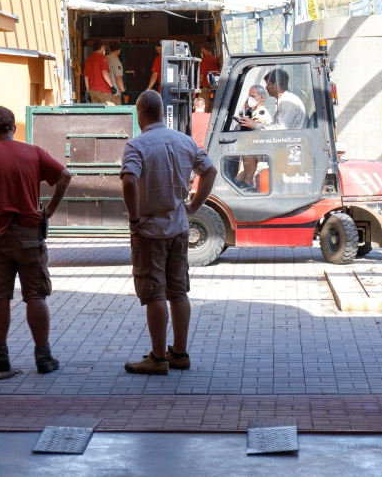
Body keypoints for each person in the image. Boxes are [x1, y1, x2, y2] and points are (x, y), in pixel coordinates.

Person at [0, 105, 73, 375]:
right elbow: (64, 176)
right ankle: (43, 356)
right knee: (35, 294)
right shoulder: (33, 152)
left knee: (0, 295)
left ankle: (0, 355)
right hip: (30, 234)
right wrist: (50, 210)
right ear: (14, 128)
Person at [120, 91, 217, 374]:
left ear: (140, 115)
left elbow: (128, 182)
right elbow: (208, 172)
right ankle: (180, 353)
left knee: (154, 294)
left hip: (149, 232)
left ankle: (158, 358)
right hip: (179, 228)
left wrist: (135, 218)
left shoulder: (136, 146)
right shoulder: (184, 141)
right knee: (178, 291)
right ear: (162, 112)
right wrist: (194, 205)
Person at [238, 68, 307, 131]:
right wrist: (265, 123)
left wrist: (255, 125)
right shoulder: (285, 100)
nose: (266, 88)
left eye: (268, 84)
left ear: (276, 85)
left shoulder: (287, 102)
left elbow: (280, 130)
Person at [233, 85, 272, 191]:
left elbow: (255, 134)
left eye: (253, 96)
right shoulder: (254, 113)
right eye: (249, 96)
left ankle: (245, 183)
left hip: (257, 158)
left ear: (261, 98)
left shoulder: (261, 114)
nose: (249, 99)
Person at [83, 40, 117, 104]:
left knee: (97, 112)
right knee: (110, 111)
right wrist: (112, 86)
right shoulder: (102, 58)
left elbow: (86, 77)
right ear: (102, 47)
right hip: (104, 90)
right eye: (104, 47)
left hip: (93, 91)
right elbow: (105, 73)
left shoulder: (88, 60)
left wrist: (88, 90)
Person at [106, 41, 125, 105]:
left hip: (104, 91)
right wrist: (123, 91)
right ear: (119, 50)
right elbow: (118, 78)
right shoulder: (116, 61)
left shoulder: (105, 58)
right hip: (114, 93)